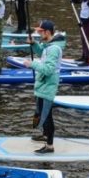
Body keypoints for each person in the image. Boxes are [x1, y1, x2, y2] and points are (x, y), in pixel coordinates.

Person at [23, 20, 66, 154]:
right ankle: (45, 135)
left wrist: (32, 64)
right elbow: (42, 51)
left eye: (41, 32)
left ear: (47, 32)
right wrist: (34, 44)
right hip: (43, 85)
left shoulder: (54, 48)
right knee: (41, 113)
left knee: (47, 116)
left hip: (48, 85)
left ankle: (49, 146)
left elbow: (48, 70)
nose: (39, 34)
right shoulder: (49, 45)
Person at [66, 0, 89, 66]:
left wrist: (84, 23)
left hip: (88, 22)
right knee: (83, 40)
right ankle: (83, 57)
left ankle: (87, 61)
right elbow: (75, 1)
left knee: (86, 40)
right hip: (82, 21)